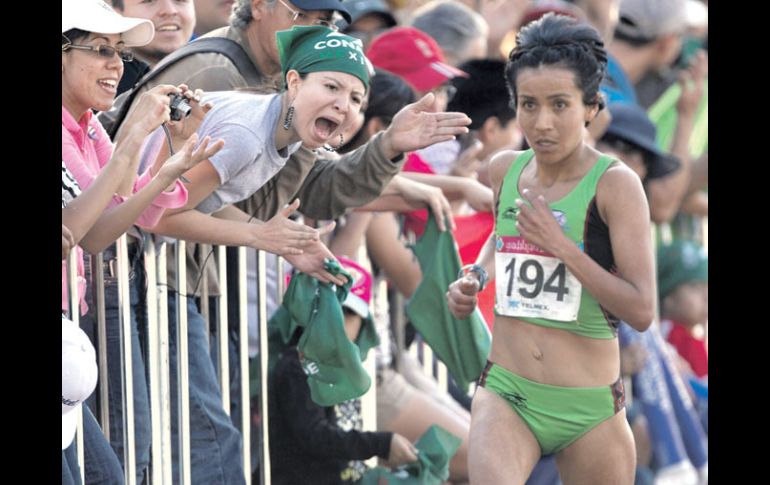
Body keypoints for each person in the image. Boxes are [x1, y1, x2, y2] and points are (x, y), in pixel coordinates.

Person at [446, 14, 655, 484]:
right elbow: (504, 243)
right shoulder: (505, 170)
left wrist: (564, 248)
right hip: (508, 390)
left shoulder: (617, 186)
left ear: (591, 108)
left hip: (588, 408)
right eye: (529, 105)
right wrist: (476, 276)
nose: (542, 123)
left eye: (559, 104)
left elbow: (641, 311)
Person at [268, 256, 418, 484]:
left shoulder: (349, 367)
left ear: (363, 323)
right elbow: (316, 436)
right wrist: (381, 444)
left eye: (348, 313)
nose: (337, 321)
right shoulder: (296, 366)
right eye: (329, 308)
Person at [109, 0, 196, 94]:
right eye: (148, 1)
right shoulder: (105, 91)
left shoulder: (210, 71)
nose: (170, 11)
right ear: (115, 11)